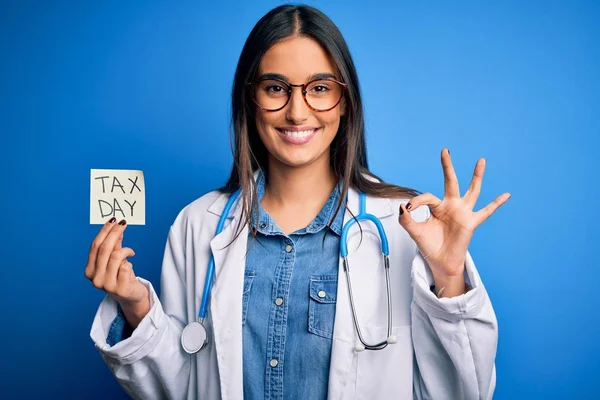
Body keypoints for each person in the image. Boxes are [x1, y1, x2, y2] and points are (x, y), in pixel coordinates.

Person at [86, 4, 509, 400]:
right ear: (250, 100)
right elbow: (181, 389)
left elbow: (462, 393)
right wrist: (137, 307)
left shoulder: (408, 225)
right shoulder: (198, 224)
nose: (297, 111)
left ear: (344, 103)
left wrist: (449, 275)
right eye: (276, 88)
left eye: (319, 88)